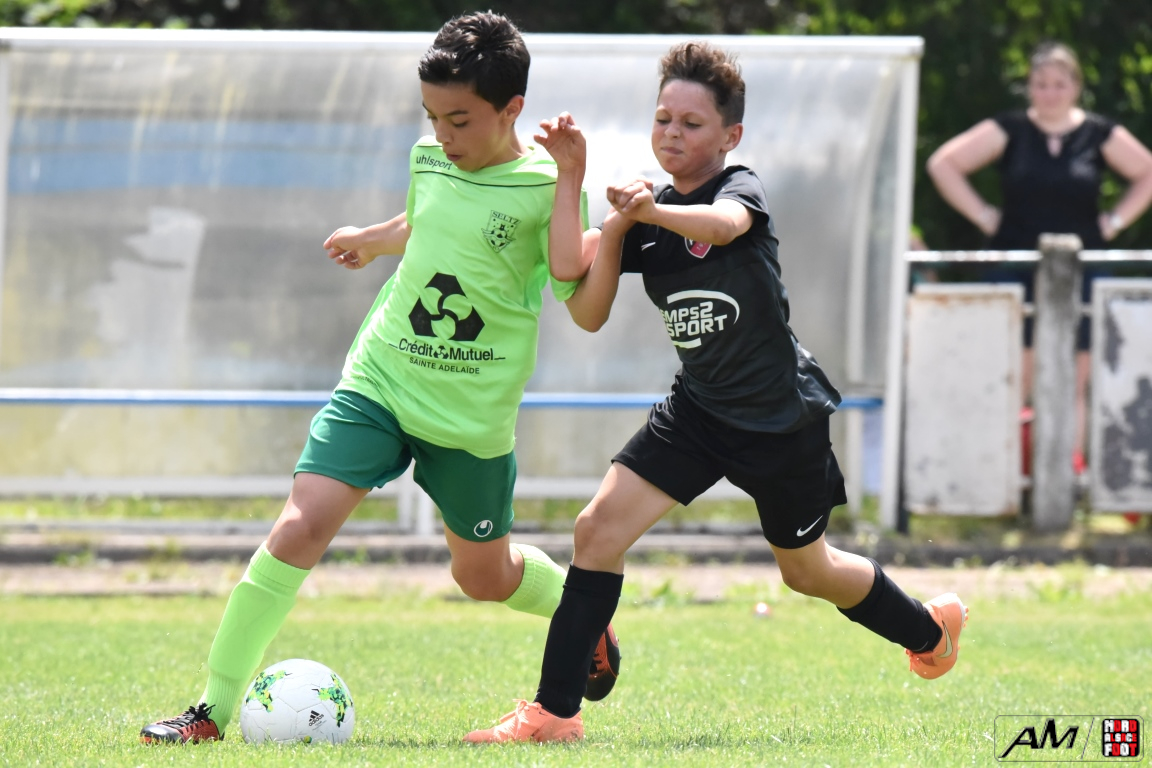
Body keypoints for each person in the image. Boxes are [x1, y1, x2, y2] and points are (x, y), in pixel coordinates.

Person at [464, 41, 969, 744]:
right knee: (596, 531)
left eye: (691, 123)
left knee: (807, 572)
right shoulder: (647, 215)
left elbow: (724, 225)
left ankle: (929, 631)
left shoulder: (738, 188)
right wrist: (578, 182)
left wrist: (651, 214)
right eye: (663, 119)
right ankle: (555, 714)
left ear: (730, 136)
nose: (672, 133)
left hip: (780, 421)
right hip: (697, 413)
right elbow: (581, 298)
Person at [139, 11, 620, 744]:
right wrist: (374, 239)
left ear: (511, 109)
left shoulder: (546, 184)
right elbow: (427, 220)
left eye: (459, 120)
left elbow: (563, 273)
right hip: (381, 380)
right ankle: (210, 710)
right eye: (432, 118)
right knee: (299, 527)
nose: (443, 136)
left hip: (470, 416)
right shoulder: (429, 157)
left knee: (482, 578)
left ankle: (580, 611)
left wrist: (572, 178)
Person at [926, 41, 1152, 468]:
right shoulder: (1010, 129)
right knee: (1013, 377)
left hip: (1081, 267)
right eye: (1041, 84)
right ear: (1029, 86)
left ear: (1076, 87)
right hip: (1015, 263)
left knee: (1073, 380)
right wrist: (984, 216)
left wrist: (1115, 221)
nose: (1050, 93)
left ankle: (1069, 472)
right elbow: (943, 164)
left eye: (1059, 84)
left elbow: (1147, 172)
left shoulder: (1098, 133)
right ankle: (1008, 473)